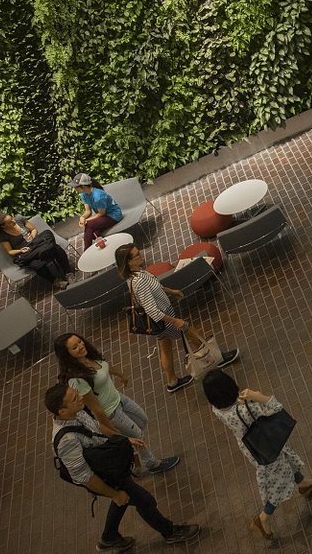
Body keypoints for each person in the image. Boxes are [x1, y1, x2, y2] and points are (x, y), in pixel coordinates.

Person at [44, 384, 200, 551]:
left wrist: (124, 439)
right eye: (75, 398)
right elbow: (84, 477)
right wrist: (113, 494)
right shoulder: (66, 442)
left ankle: (109, 537)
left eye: (76, 394)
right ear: (62, 411)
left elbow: (97, 428)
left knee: (124, 499)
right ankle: (170, 532)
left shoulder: (77, 412)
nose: (81, 397)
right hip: (102, 476)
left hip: (109, 466)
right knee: (145, 501)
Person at [202, 371, 312, 542]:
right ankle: (263, 518)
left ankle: (304, 484)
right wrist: (257, 396)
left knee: (287, 461)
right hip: (268, 447)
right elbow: (277, 408)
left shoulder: (217, 409)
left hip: (253, 447)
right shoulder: (245, 408)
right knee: (278, 484)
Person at [116, 242, 238, 393]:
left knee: (165, 347)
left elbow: (155, 286)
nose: (141, 255)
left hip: (161, 320)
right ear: (128, 262)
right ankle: (217, 357)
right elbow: (152, 310)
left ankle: (172, 382)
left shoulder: (137, 274)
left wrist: (171, 291)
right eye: (137, 255)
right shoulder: (139, 282)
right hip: (164, 317)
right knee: (190, 331)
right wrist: (175, 321)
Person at [53, 332, 180, 475]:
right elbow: (95, 408)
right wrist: (109, 427)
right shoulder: (78, 379)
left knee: (142, 420)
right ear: (67, 354)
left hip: (119, 399)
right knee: (137, 435)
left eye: (79, 342)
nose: (80, 346)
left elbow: (105, 366)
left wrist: (120, 375)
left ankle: (133, 461)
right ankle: (152, 464)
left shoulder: (90, 355)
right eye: (74, 347)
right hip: (110, 412)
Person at [0, 211, 72, 288]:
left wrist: (33, 237)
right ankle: (56, 281)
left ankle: (68, 273)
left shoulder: (19, 219)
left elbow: (34, 229)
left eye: (12, 218)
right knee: (37, 264)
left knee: (54, 244)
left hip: (36, 242)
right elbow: (10, 251)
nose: (13, 221)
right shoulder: (2, 235)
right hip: (26, 251)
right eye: (9, 222)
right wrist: (21, 251)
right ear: (3, 226)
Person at [70, 173, 122, 246]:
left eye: (76, 187)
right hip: (104, 217)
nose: (74, 189)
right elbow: (88, 211)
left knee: (89, 225)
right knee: (93, 234)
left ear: (83, 186)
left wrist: (87, 220)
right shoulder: (83, 195)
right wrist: (82, 217)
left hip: (114, 215)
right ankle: (105, 244)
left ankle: (86, 251)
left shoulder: (98, 196)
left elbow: (101, 213)